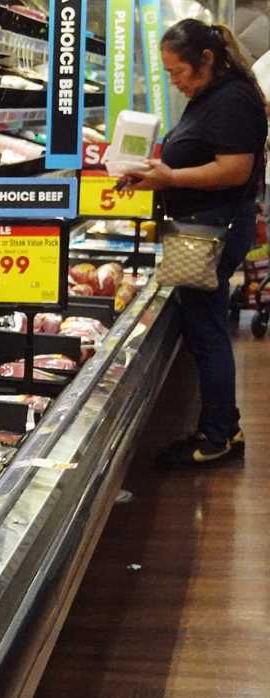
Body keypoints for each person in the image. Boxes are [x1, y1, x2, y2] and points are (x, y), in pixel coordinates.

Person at [125, 19, 268, 466]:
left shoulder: (232, 100)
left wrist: (170, 176)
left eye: (177, 72)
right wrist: (155, 174)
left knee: (207, 331)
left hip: (212, 231)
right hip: (202, 227)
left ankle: (219, 436)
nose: (174, 81)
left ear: (206, 60)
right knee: (204, 328)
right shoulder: (212, 96)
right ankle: (222, 425)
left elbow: (234, 169)